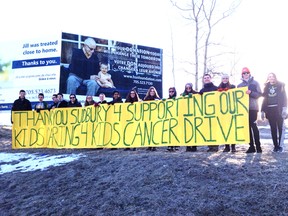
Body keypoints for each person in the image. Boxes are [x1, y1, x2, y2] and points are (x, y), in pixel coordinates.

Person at [237, 67, 262, 153]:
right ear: (242, 75)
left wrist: (251, 93)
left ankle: (258, 146)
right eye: (244, 73)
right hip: (243, 109)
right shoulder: (239, 86)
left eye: (247, 73)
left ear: (249, 73)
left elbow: (259, 94)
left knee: (254, 126)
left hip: (253, 108)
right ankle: (251, 146)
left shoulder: (255, 83)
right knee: (247, 128)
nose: (245, 74)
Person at [261, 72, 287, 152]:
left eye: (272, 76)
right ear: (268, 78)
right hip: (270, 110)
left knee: (280, 128)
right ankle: (275, 146)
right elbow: (264, 99)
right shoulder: (266, 87)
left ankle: (280, 146)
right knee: (273, 128)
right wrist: (262, 110)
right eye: (269, 77)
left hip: (278, 109)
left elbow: (284, 97)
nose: (271, 78)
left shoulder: (280, 85)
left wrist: (284, 108)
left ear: (275, 77)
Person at [200, 74, 219, 152]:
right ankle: (210, 146)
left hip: (214, 112)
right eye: (205, 78)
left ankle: (215, 146)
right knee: (208, 129)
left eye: (208, 78)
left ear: (210, 79)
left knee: (214, 129)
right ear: (203, 80)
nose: (206, 79)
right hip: (206, 112)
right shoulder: (202, 90)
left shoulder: (215, 88)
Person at [218, 74, 237, 153]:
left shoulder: (232, 86)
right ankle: (226, 146)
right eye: (223, 78)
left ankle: (233, 146)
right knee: (225, 129)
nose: (225, 79)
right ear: (221, 79)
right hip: (222, 111)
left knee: (232, 128)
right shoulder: (218, 88)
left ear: (228, 79)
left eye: (226, 78)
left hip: (231, 110)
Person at [181, 83, 198, 152]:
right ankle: (188, 146)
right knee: (187, 131)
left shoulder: (195, 93)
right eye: (186, 88)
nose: (188, 89)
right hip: (186, 116)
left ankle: (194, 146)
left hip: (194, 115)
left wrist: (195, 95)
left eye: (189, 88)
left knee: (194, 131)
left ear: (191, 87)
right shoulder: (183, 95)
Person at [143, 86, 161, 151]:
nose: (152, 92)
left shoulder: (157, 98)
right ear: (149, 92)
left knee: (154, 132)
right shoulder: (146, 99)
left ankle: (154, 146)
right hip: (148, 118)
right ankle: (149, 145)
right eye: (151, 91)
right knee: (148, 131)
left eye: (153, 91)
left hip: (155, 118)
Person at [167, 87, 179, 152]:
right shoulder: (167, 99)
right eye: (170, 91)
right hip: (169, 118)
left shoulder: (178, 99)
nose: (171, 93)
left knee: (175, 132)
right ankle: (170, 145)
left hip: (176, 118)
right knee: (170, 132)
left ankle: (176, 145)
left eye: (172, 91)